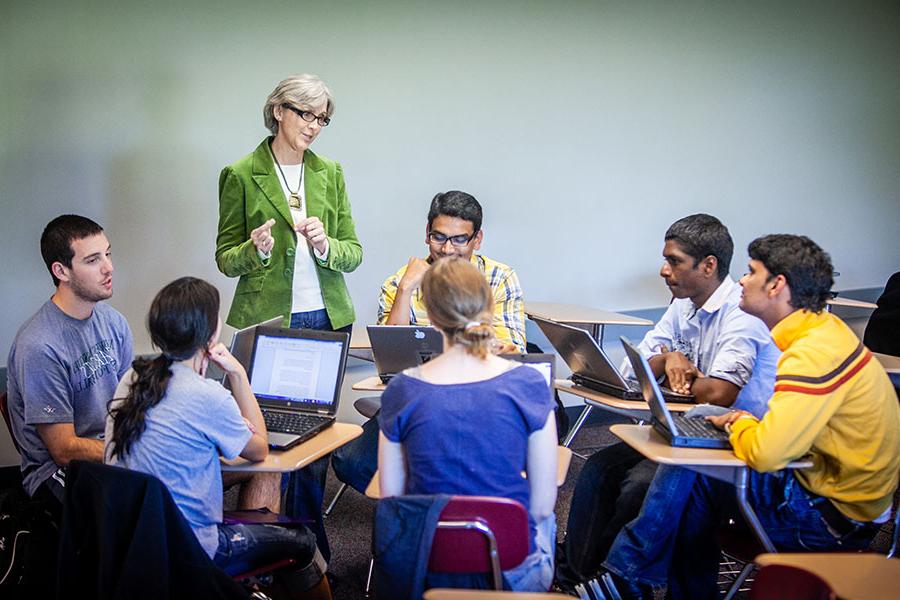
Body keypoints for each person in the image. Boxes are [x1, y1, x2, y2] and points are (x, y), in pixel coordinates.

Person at [600, 234, 900, 600]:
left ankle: (627, 576)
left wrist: (740, 423)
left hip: (830, 520)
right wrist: (742, 423)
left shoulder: (811, 354)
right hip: (829, 490)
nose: (740, 281)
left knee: (694, 470)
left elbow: (768, 454)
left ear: (777, 285)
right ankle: (632, 578)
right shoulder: (823, 333)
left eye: (750, 272)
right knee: (700, 455)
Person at [556, 214, 779, 589]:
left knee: (638, 484)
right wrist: (669, 358)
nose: (663, 270)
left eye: (674, 261)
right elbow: (633, 368)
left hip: (732, 445)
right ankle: (576, 577)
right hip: (689, 432)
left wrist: (676, 367)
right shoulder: (684, 304)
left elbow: (721, 393)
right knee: (599, 467)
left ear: (708, 266)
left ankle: (614, 581)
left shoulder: (741, 315)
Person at [215, 74, 362, 558]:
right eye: (306, 114)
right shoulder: (240, 173)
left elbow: (353, 253)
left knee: (315, 442)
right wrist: (255, 251)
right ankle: (271, 548)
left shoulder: (330, 172)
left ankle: (310, 553)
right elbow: (225, 257)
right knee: (270, 437)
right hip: (270, 321)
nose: (315, 126)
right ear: (279, 110)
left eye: (323, 118)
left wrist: (325, 245)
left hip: (325, 316)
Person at [105, 277, 326, 591]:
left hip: (132, 542)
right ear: (210, 332)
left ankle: (246, 587)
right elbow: (260, 450)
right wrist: (238, 374)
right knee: (304, 541)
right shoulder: (208, 395)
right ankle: (249, 585)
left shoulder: (132, 377)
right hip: (193, 551)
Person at [377, 257, 558, 591]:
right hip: (509, 562)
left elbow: (392, 496)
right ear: (487, 307)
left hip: (427, 558)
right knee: (549, 519)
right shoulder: (529, 384)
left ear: (431, 316)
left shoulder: (402, 388)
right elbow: (543, 505)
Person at [331, 190, 526, 495]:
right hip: (415, 397)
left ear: (478, 239)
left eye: (460, 239)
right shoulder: (400, 281)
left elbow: (513, 351)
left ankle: (435, 500)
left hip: (481, 398)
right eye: (439, 237)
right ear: (426, 234)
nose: (447, 248)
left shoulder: (499, 278)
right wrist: (408, 289)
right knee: (350, 461)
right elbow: (389, 353)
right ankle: (431, 500)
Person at [7, 214, 133, 513]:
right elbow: (63, 450)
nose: (108, 267)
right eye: (92, 260)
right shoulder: (39, 345)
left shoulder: (113, 322)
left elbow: (130, 402)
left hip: (110, 448)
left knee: (231, 465)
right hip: (57, 474)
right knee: (153, 498)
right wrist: (133, 453)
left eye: (108, 253)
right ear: (61, 270)